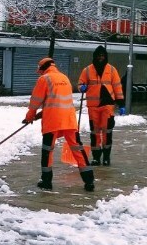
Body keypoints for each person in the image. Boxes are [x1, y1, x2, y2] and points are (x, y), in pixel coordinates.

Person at [23, 57, 95, 192]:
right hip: (69, 120)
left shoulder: (44, 79)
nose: (39, 73)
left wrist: (29, 117)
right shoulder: (64, 78)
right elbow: (57, 101)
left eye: (40, 70)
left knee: (47, 151)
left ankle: (46, 181)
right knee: (78, 150)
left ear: (43, 68)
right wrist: (39, 115)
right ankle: (89, 181)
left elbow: (35, 101)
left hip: (53, 122)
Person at [78, 45, 125, 166]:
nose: (100, 58)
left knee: (107, 132)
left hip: (107, 106)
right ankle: (96, 157)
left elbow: (118, 87)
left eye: (103, 56)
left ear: (106, 57)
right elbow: (80, 83)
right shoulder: (87, 70)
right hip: (93, 106)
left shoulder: (112, 70)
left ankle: (106, 157)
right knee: (95, 133)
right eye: (98, 56)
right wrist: (82, 87)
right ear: (95, 57)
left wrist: (121, 103)